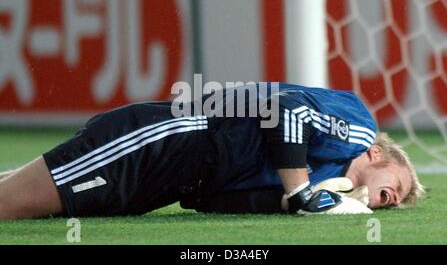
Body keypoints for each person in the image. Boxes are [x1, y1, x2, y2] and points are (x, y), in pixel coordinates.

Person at [0, 83, 425, 219]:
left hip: (165, 182)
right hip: (165, 139)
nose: (391, 199)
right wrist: (301, 195)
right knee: (10, 204)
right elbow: (286, 108)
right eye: (397, 185)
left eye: (395, 202)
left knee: (18, 200)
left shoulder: (319, 178)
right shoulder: (357, 130)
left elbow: (208, 202)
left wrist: (291, 201)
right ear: (375, 155)